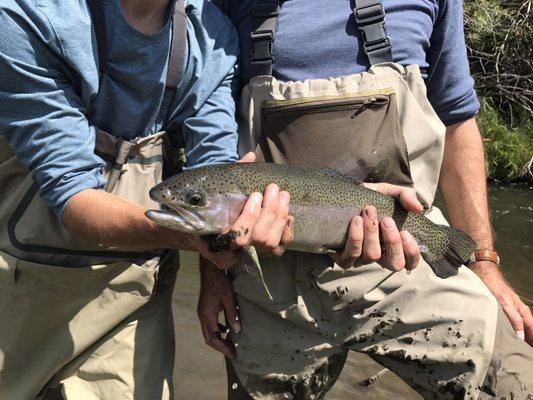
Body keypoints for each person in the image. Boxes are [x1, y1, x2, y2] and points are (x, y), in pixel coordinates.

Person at [198, 0, 533, 398]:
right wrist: (213, 271)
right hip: (270, 284)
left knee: (516, 381)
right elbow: (213, 160)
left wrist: (483, 262)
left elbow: (457, 118)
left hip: (409, 255)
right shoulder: (223, 5)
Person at [0, 0, 294, 398]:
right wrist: (195, 238)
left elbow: (215, 177)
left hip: (133, 290)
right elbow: (73, 195)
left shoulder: (213, 36)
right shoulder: (28, 17)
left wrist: (215, 269)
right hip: (20, 286)